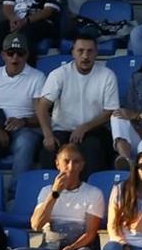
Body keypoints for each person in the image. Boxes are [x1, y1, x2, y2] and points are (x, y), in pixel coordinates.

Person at [1, 141, 103, 250]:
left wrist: (71, 248)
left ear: (82, 165)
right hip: (49, 248)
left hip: (77, 247)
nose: (70, 167)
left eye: (76, 162)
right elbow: (36, 225)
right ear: (57, 164)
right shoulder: (46, 191)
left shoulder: (93, 193)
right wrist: (54, 193)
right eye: (66, 161)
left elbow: (90, 233)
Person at [35, 32, 122, 173]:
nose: (85, 56)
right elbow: (42, 106)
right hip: (62, 130)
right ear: (73, 53)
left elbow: (109, 112)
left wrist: (85, 127)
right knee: (49, 152)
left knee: (93, 149)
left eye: (90, 51)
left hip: (94, 130)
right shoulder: (59, 74)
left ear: (96, 53)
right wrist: (48, 135)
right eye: (80, 51)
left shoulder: (107, 75)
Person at [0, 33, 46, 178]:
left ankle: (15, 193)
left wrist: (22, 121)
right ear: (3, 55)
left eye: (20, 53)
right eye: (10, 53)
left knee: (25, 141)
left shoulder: (37, 77)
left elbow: (41, 116)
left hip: (25, 128)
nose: (15, 58)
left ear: (27, 55)